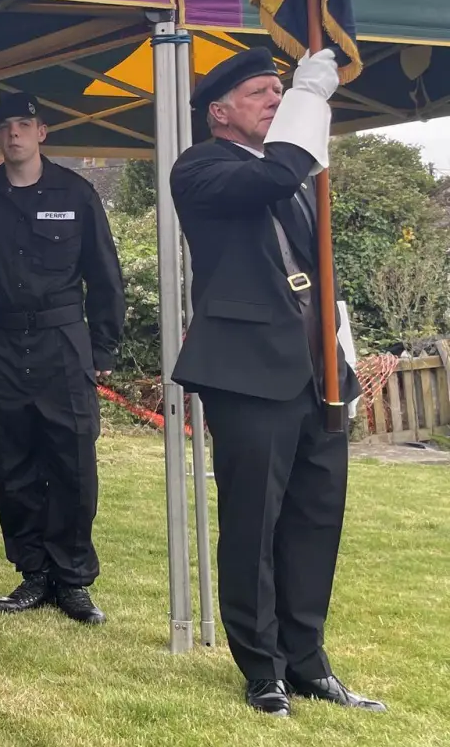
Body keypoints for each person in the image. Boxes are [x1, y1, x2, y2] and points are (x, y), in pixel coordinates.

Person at [171, 47, 382, 716]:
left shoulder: (292, 178)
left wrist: (342, 364)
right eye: (261, 92)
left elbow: (320, 276)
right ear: (219, 113)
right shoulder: (201, 168)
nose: (273, 98)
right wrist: (309, 97)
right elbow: (283, 165)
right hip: (250, 373)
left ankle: (308, 660)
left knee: (314, 521)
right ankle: (262, 667)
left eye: (278, 90)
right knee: (254, 524)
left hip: (316, 373)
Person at [0, 92, 125, 625]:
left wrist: (104, 348)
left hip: (63, 345)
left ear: (42, 132)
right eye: (4, 127)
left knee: (72, 462)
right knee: (14, 462)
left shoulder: (77, 192)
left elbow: (105, 273)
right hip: (2, 347)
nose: (14, 134)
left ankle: (72, 580)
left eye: (23, 124)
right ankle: (32, 573)